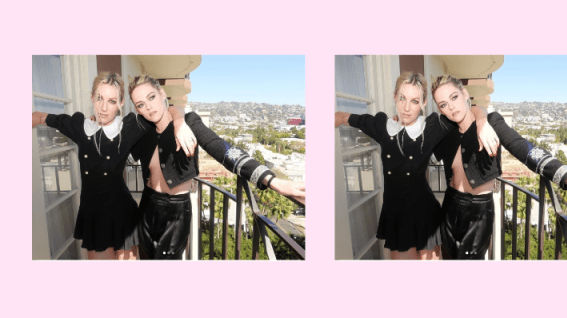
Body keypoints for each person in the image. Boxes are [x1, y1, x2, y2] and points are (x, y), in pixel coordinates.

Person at [431, 75, 567, 260]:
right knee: (449, 256)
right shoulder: (446, 131)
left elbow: (526, 150)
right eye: (443, 104)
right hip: (450, 204)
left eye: (454, 97)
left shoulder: (492, 122)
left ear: (465, 93)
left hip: (478, 211)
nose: (451, 107)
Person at [128, 75, 306, 260]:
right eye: (140, 104)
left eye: (151, 97)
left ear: (162, 93)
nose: (148, 107)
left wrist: (271, 180)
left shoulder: (189, 122)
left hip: (176, 211)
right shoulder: (143, 131)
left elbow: (223, 150)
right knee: (146, 257)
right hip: (147, 205)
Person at [31, 72, 198, 260]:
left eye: (111, 101)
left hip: (123, 213)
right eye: (99, 98)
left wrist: (179, 122)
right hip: (93, 216)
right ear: (92, 97)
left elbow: (166, 109)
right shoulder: (79, 126)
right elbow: (40, 116)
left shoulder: (128, 127)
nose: (103, 108)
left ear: (120, 104)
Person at [334, 72, 500, 260]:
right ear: (395, 97)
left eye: (414, 101)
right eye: (402, 98)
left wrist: (481, 121)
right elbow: (342, 116)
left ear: (423, 103)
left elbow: (467, 109)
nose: (406, 108)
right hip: (396, 215)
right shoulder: (381, 126)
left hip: (426, 214)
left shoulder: (432, 127)